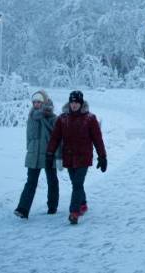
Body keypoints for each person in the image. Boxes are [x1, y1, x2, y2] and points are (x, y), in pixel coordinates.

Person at [46, 89, 107, 225]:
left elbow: (97, 139)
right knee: (76, 183)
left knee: (77, 184)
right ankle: (83, 203)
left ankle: (74, 212)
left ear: (81, 103)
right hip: (68, 156)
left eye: (76, 102)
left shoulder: (90, 119)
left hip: (83, 157)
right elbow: (55, 137)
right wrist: (50, 153)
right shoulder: (63, 118)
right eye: (72, 102)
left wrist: (102, 157)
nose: (74, 105)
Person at [14, 90, 60, 218]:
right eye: (34, 102)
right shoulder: (31, 117)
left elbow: (58, 137)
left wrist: (58, 155)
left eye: (39, 102)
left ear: (44, 102)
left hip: (48, 154)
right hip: (33, 155)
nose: (36, 104)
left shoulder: (52, 117)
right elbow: (29, 137)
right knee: (31, 182)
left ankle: (52, 207)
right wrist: (30, 148)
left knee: (52, 181)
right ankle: (23, 209)